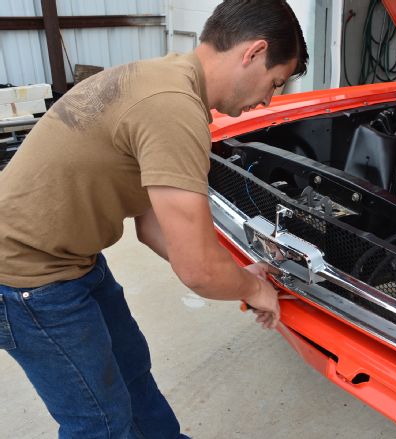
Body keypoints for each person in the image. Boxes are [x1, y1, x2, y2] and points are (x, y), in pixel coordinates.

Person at [0, 0, 308, 437]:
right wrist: (253, 288)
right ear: (253, 53)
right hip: (26, 279)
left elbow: (151, 227)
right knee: (100, 424)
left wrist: (237, 273)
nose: (267, 101)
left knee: (133, 377)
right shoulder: (174, 108)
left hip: (71, 261)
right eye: (274, 83)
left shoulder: (165, 78)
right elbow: (197, 271)